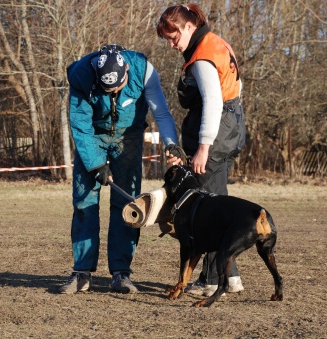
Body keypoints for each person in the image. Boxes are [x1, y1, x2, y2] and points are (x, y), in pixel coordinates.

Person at [59, 44, 179, 294]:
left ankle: (121, 274)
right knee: (84, 202)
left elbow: (163, 114)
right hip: (92, 136)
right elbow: (80, 124)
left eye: (118, 87)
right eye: (107, 89)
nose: (113, 92)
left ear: (126, 69)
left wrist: (171, 144)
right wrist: (95, 163)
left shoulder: (144, 70)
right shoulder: (81, 75)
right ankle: (82, 272)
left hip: (129, 138)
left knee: (127, 205)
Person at [157, 4, 247, 297]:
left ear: (187, 28)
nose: (171, 44)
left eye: (173, 37)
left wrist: (203, 147)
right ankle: (230, 277)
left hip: (216, 133)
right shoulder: (217, 43)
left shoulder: (202, 57)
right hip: (231, 126)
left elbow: (212, 102)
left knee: (207, 210)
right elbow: (236, 87)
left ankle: (210, 279)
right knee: (218, 199)